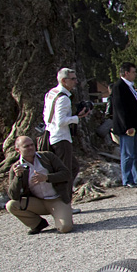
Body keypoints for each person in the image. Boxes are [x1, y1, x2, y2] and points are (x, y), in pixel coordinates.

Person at [5, 135, 75, 234]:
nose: (30, 148)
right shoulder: (16, 167)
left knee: (65, 228)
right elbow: (13, 195)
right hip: (38, 202)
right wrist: (18, 177)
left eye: (31, 145)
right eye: (26, 146)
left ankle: (62, 215)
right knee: (11, 205)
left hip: (57, 199)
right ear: (18, 149)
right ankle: (37, 224)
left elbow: (66, 174)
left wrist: (47, 178)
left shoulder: (47, 157)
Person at [43, 67, 88, 201]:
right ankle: (64, 202)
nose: (76, 81)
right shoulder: (63, 98)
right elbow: (61, 121)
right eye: (73, 79)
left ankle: (64, 198)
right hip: (60, 137)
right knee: (66, 171)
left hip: (53, 134)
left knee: (72, 168)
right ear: (64, 80)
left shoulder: (51, 93)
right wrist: (77, 118)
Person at [111, 62, 137, 188]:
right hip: (128, 127)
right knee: (128, 154)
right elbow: (120, 109)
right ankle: (127, 179)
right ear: (126, 73)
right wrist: (127, 126)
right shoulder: (119, 87)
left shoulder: (130, 86)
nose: (135, 74)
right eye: (133, 72)